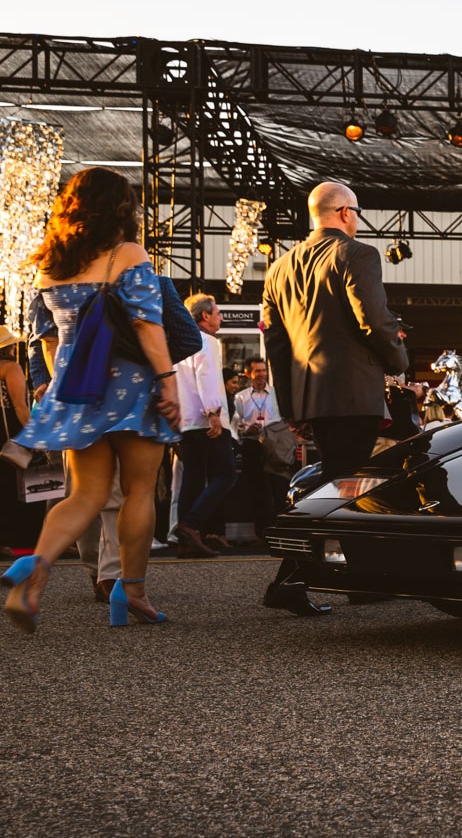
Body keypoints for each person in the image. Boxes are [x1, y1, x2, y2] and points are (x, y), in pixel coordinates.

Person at [1, 167, 181, 632]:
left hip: (77, 391)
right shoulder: (127, 253)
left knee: (85, 494)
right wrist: (168, 380)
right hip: (132, 388)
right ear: (122, 207)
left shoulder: (50, 263)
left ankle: (35, 565)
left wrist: (62, 384)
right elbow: (146, 323)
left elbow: (48, 340)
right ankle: (131, 591)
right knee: (140, 490)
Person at [259, 180, 408, 615]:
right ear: (344, 213)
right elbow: (374, 321)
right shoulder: (357, 255)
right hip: (353, 394)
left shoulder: (279, 268)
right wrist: (399, 362)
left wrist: (291, 406)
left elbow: (277, 346)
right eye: (357, 212)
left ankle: (307, 580)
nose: (358, 219)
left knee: (342, 485)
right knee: (342, 490)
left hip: (313, 396)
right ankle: (294, 581)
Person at [171, 294, 234, 557]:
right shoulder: (206, 341)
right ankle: (191, 524)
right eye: (218, 312)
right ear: (205, 316)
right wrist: (214, 412)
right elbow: (206, 376)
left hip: (185, 421)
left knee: (193, 478)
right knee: (226, 474)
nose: (220, 318)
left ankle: (187, 542)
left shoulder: (177, 343)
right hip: (206, 418)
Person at [232, 357, 288, 542]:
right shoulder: (241, 397)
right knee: (257, 489)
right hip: (252, 444)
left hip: (274, 445)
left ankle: (280, 530)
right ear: (248, 374)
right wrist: (246, 428)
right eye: (257, 371)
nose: (261, 375)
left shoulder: (276, 394)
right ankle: (261, 533)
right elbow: (236, 422)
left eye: (264, 371)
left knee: (279, 486)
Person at [0, 326, 42, 554]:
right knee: (9, 486)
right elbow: (19, 405)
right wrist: (32, 434)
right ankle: (12, 538)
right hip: (8, 431)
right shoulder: (10, 367)